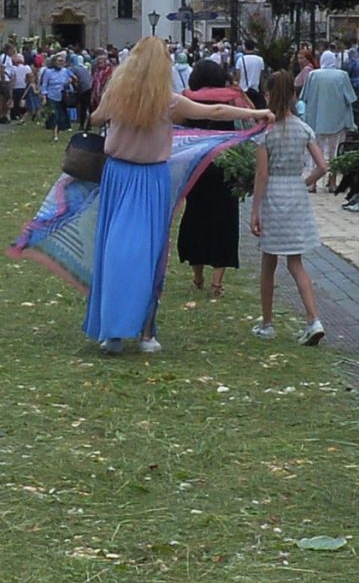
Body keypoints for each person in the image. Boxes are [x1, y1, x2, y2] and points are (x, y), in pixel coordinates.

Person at [83, 36, 267, 355]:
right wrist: (258, 113)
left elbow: (96, 118)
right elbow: (219, 110)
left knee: (114, 250)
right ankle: (143, 332)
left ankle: (112, 330)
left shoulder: (118, 94)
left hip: (119, 176)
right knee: (150, 253)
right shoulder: (168, 101)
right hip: (151, 179)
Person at [249, 64, 327, 344]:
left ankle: (267, 322)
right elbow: (322, 166)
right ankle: (313, 318)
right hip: (295, 192)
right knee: (296, 261)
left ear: (269, 95)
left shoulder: (264, 133)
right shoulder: (303, 129)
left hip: (273, 194)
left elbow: (262, 174)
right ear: (294, 95)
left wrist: (255, 210)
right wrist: (303, 183)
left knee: (269, 261)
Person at [177, 60, 256, 298]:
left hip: (197, 166)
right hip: (227, 166)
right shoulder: (232, 97)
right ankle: (217, 283)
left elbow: (179, 130)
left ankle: (197, 276)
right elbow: (249, 124)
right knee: (225, 221)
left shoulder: (188, 97)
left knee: (195, 217)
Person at [297, 48, 358, 177]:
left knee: (315, 152)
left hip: (316, 121)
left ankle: (313, 182)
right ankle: (332, 181)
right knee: (334, 152)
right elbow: (350, 98)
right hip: (337, 121)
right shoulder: (342, 75)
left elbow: (304, 97)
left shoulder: (313, 75)